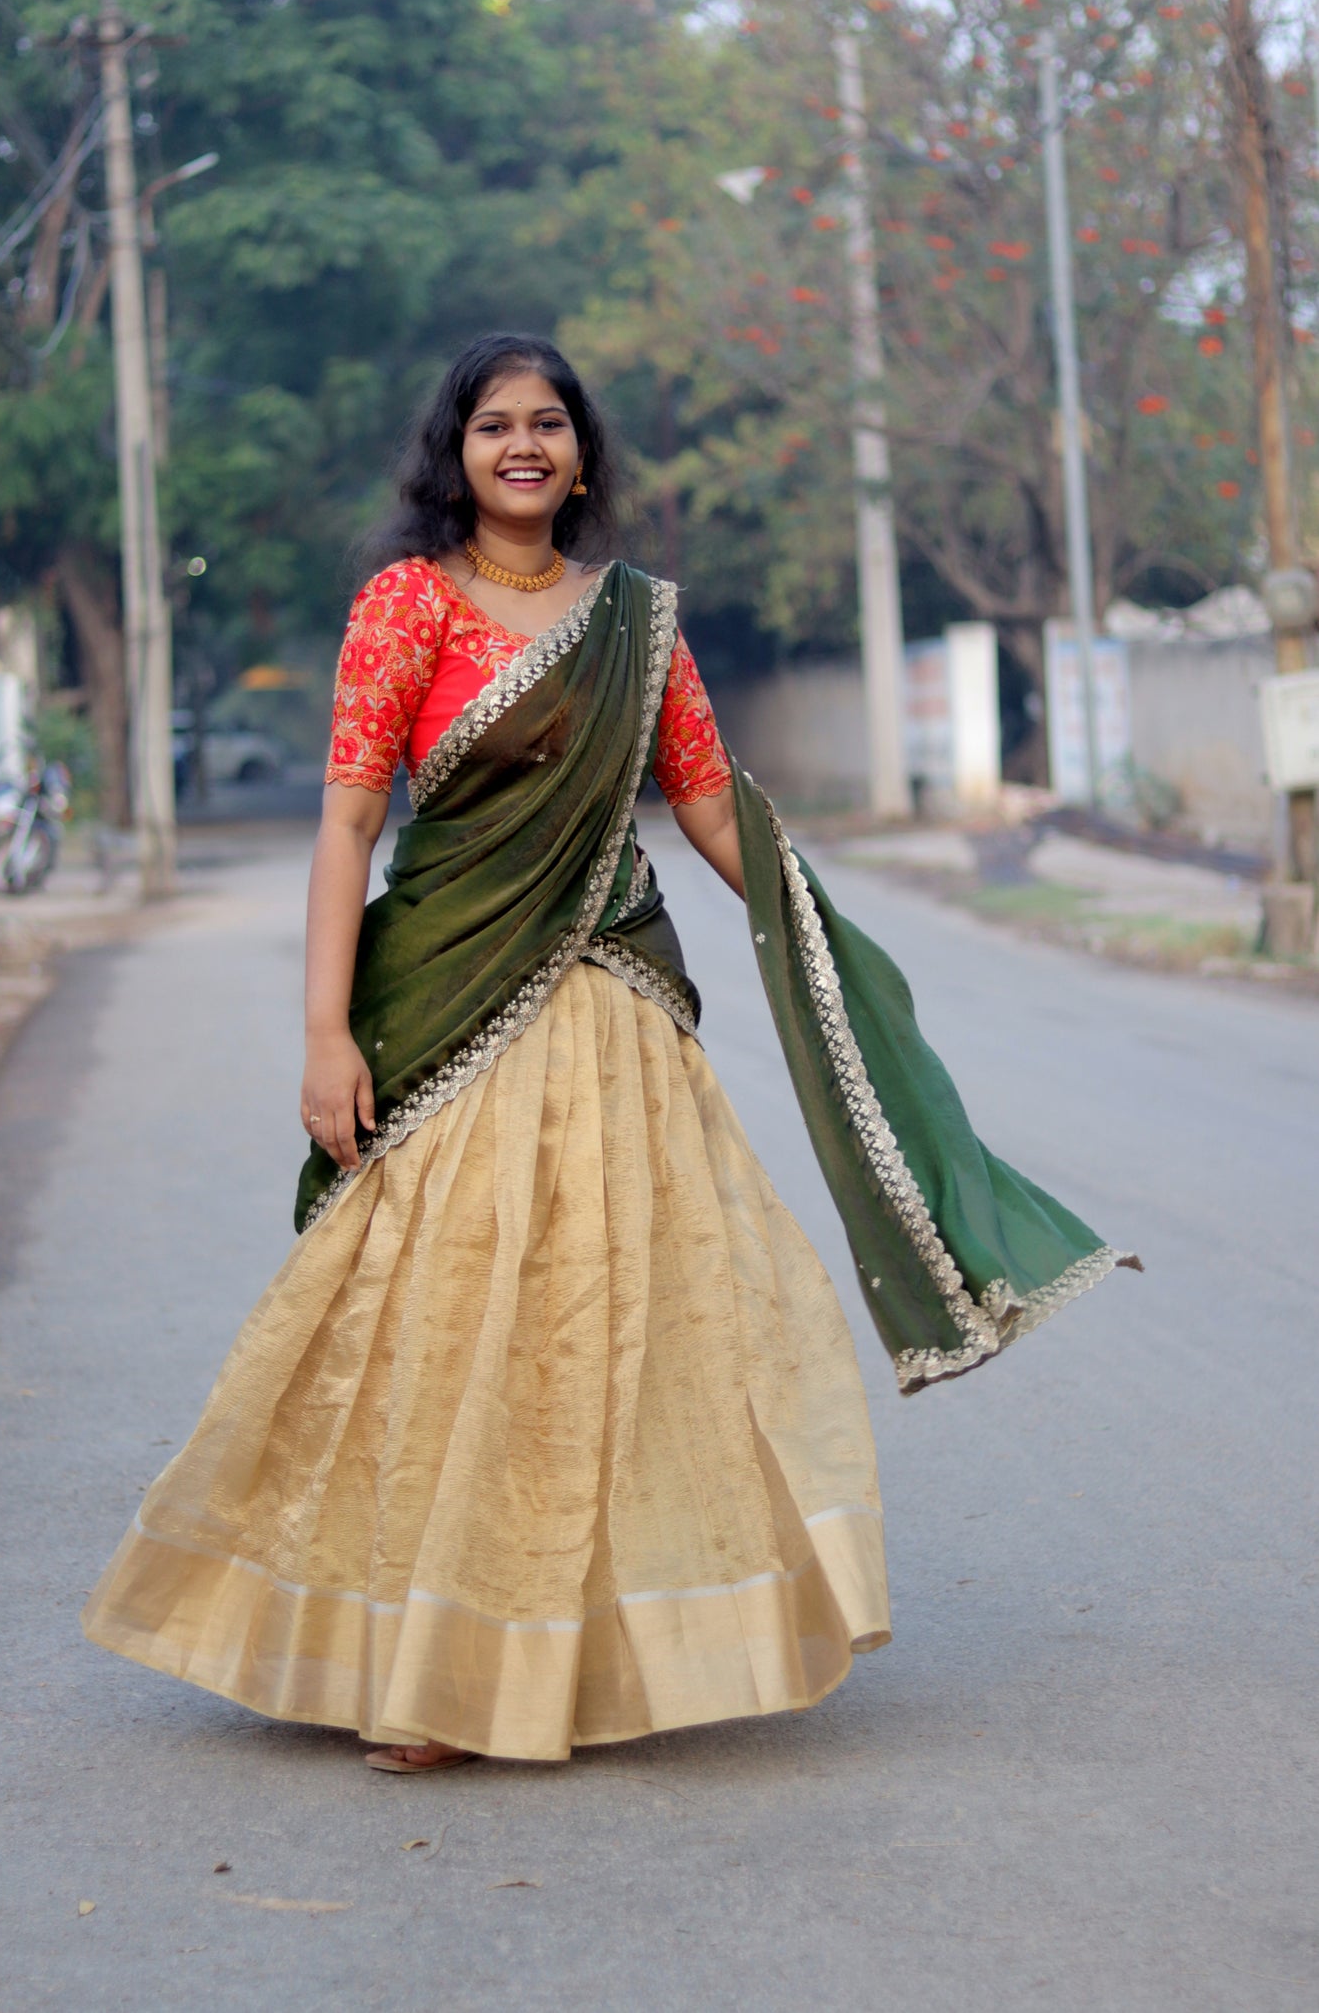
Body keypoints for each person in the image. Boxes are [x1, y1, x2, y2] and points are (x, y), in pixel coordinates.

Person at [83, 332, 1137, 1772]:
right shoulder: (405, 607)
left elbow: (704, 804)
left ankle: (558, 1650)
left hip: (615, 1004)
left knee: (614, 1332)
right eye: (494, 424)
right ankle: (429, 1657)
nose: (523, 444)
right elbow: (345, 821)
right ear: (453, 454)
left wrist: (808, 919)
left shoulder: (635, 620)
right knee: (444, 1324)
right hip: (447, 1003)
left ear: (581, 457)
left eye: (549, 424)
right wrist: (323, 1033)